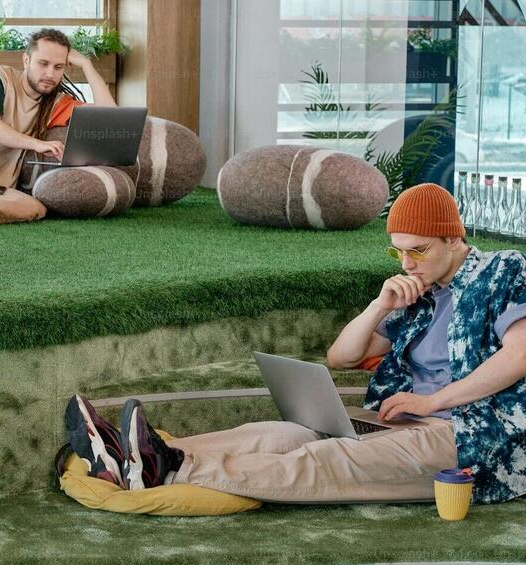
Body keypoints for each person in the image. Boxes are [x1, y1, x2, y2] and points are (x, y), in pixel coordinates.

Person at [114, 184, 526, 504]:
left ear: (454, 239)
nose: (405, 263)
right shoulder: (421, 292)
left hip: (471, 435)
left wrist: (432, 402)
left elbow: (520, 355)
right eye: (397, 251)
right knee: (278, 435)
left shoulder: (503, 271)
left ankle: (168, 469)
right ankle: (134, 454)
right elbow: (342, 356)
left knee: (327, 460)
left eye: (417, 250)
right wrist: (378, 306)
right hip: (403, 420)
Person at [0, 28, 117, 223]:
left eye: (58, 67)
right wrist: (36, 144)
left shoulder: (56, 104)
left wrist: (86, 65)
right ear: (26, 60)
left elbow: (109, 117)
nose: (50, 74)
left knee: (34, 208)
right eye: (43, 64)